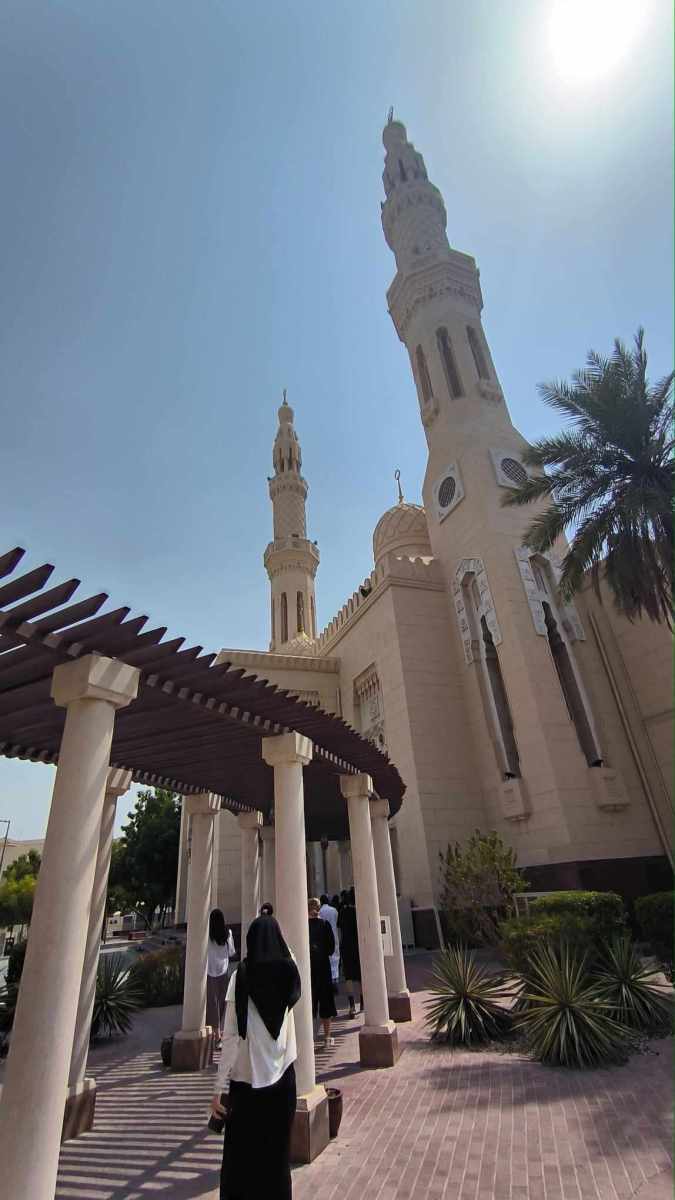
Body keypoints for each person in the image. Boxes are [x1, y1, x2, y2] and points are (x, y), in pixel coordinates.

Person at [211, 916, 301, 1200]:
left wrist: (218, 1088)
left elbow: (230, 1039)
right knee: (277, 1161)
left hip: (247, 1084)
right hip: (284, 1082)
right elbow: (289, 951)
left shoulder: (241, 977)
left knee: (240, 1165)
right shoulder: (290, 971)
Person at [308, 897, 336, 1047]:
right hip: (324, 967)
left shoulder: (304, 926)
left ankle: (310, 1038)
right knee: (326, 1003)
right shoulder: (325, 925)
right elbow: (331, 948)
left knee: (310, 1003)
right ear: (319, 909)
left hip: (309, 969)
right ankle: (327, 1037)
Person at [207, 909, 236, 1045]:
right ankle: (218, 1031)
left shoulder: (208, 935)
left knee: (212, 1003)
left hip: (210, 970)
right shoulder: (228, 933)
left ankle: (216, 1032)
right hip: (224, 970)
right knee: (222, 1001)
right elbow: (231, 952)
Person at [337, 887, 362, 1018]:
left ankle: (352, 1005)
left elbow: (340, 928)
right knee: (360, 975)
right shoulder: (358, 911)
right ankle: (363, 1001)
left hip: (346, 946)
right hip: (358, 945)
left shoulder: (342, 912)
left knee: (349, 977)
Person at [319, 894, 340, 992]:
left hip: (324, 936)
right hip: (334, 935)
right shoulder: (334, 910)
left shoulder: (320, 912)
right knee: (335, 958)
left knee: (328, 959)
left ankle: (329, 981)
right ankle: (335, 980)